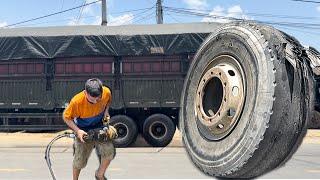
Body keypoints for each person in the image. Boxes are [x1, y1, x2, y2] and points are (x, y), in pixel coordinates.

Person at [63, 78, 115, 180]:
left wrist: (106, 112)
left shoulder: (106, 92)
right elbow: (66, 117)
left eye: (98, 98)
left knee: (109, 152)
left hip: (99, 126)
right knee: (80, 161)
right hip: (83, 130)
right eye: (92, 100)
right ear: (85, 93)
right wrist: (78, 131)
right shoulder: (76, 102)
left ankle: (100, 174)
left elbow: (108, 101)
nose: (96, 102)